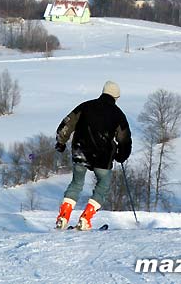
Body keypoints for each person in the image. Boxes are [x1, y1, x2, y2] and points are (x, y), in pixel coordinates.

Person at [54, 81, 132, 230]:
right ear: (116, 97)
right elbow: (124, 139)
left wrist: (61, 142)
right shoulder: (118, 114)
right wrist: (122, 155)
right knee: (102, 185)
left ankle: (63, 217)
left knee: (76, 184)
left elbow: (67, 125)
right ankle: (85, 219)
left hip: (80, 151)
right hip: (103, 157)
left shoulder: (85, 106)